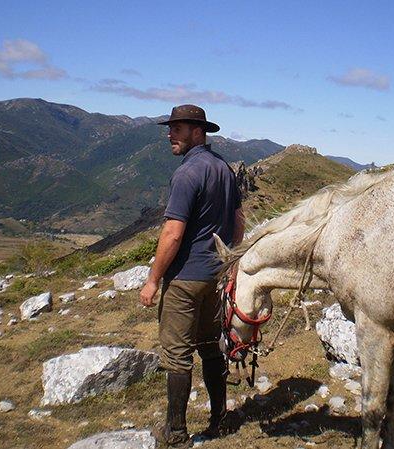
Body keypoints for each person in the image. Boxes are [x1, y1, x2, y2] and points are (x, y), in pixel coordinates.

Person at [139, 104, 245, 448]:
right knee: (210, 348)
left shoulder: (187, 173)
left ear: (197, 131)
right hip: (214, 277)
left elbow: (172, 233)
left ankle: (177, 433)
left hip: (184, 279)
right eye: (170, 128)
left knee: (177, 355)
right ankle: (219, 420)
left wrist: (153, 279)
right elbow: (239, 221)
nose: (170, 135)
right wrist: (227, 260)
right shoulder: (223, 169)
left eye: (177, 129)